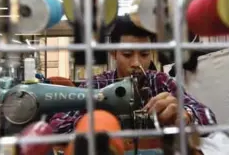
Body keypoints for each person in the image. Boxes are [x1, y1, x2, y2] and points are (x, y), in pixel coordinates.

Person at [49, 15, 217, 153]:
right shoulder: (96, 85)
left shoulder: (160, 82)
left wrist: (186, 115)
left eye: (144, 54)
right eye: (127, 54)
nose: (136, 62)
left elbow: (209, 117)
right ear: (114, 53)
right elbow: (56, 126)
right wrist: (95, 120)